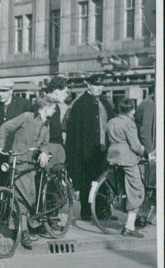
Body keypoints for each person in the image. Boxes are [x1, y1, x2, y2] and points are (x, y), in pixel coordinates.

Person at [0, 95, 58, 250]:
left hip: (32, 165)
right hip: (18, 161)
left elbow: (45, 144)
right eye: (53, 108)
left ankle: (26, 226)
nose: (55, 111)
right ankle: (22, 231)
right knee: (21, 197)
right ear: (45, 108)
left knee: (30, 196)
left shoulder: (46, 125)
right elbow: (5, 128)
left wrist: (44, 152)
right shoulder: (27, 117)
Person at [65, 73, 111, 221]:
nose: (99, 88)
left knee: (103, 179)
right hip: (86, 150)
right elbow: (74, 133)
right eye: (96, 85)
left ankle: (102, 211)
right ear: (89, 85)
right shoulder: (80, 104)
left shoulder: (105, 102)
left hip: (103, 149)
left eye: (101, 85)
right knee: (87, 180)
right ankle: (86, 211)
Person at [107, 98, 147, 238]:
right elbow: (135, 145)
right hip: (127, 159)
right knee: (137, 189)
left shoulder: (111, 121)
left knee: (122, 187)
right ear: (131, 110)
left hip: (113, 157)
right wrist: (144, 151)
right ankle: (129, 226)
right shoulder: (129, 123)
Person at [0, 80, 31, 191]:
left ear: (11, 91)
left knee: (14, 183)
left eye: (4, 91)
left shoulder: (24, 104)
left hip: (15, 150)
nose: (0, 94)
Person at [42, 74, 69, 166]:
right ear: (56, 91)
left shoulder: (56, 106)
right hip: (48, 147)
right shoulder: (44, 105)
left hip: (58, 145)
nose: (66, 95)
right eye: (65, 92)